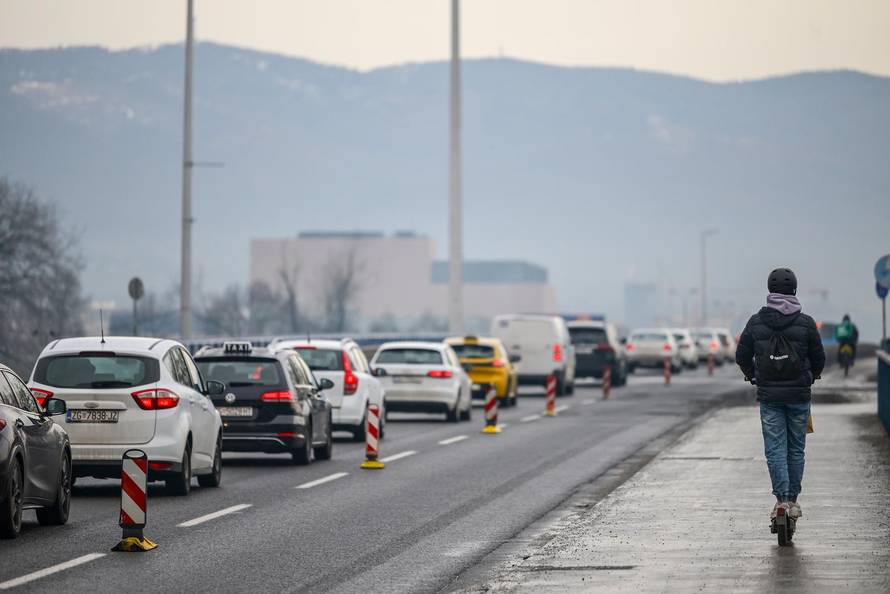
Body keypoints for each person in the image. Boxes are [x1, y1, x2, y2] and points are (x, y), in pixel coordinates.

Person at [736, 267, 825, 521]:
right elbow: (819, 359)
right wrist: (811, 376)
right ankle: (793, 502)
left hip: (769, 397)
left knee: (775, 449)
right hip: (799, 396)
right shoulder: (806, 323)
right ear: (794, 290)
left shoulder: (756, 322)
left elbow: (741, 355)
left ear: (770, 291)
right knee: (796, 449)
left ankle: (781, 502)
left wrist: (752, 374)